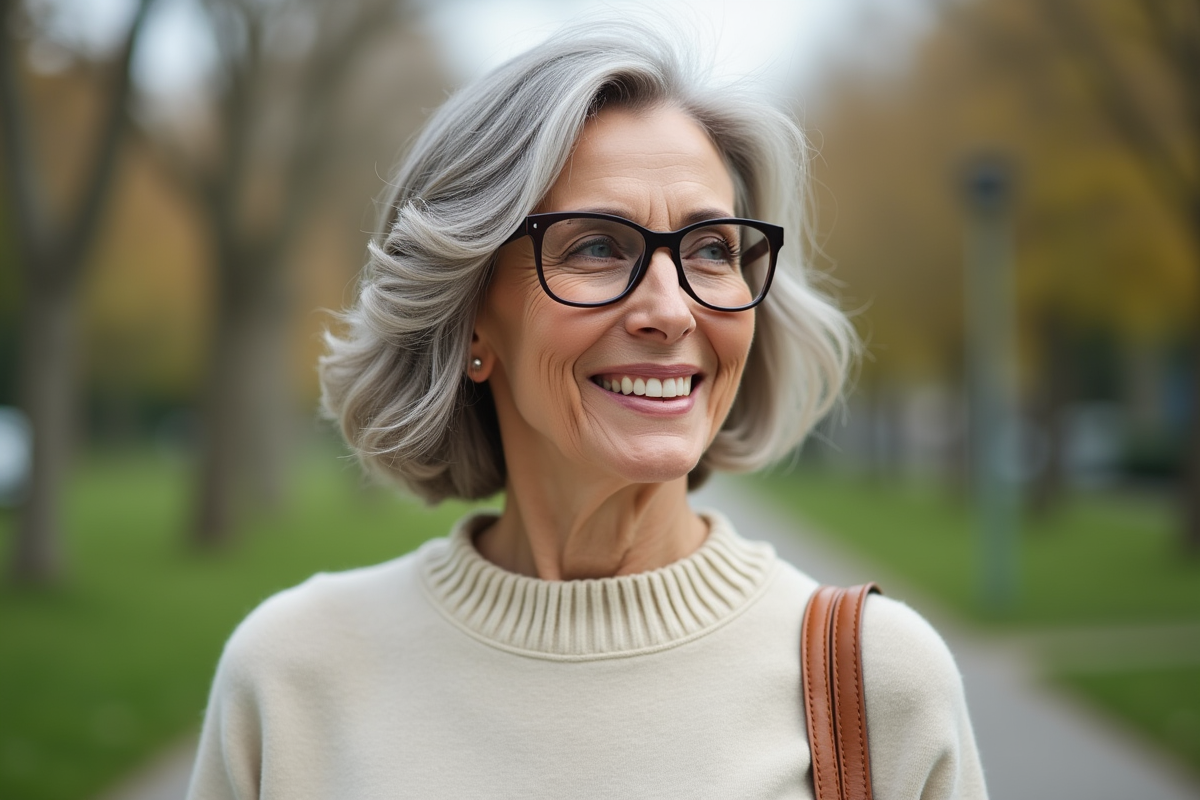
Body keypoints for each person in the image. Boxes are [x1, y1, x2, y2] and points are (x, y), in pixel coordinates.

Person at [187, 21, 988, 800]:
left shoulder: (877, 684)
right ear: (469, 315)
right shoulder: (293, 674)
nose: (671, 312)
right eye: (597, 247)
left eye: (712, 249)